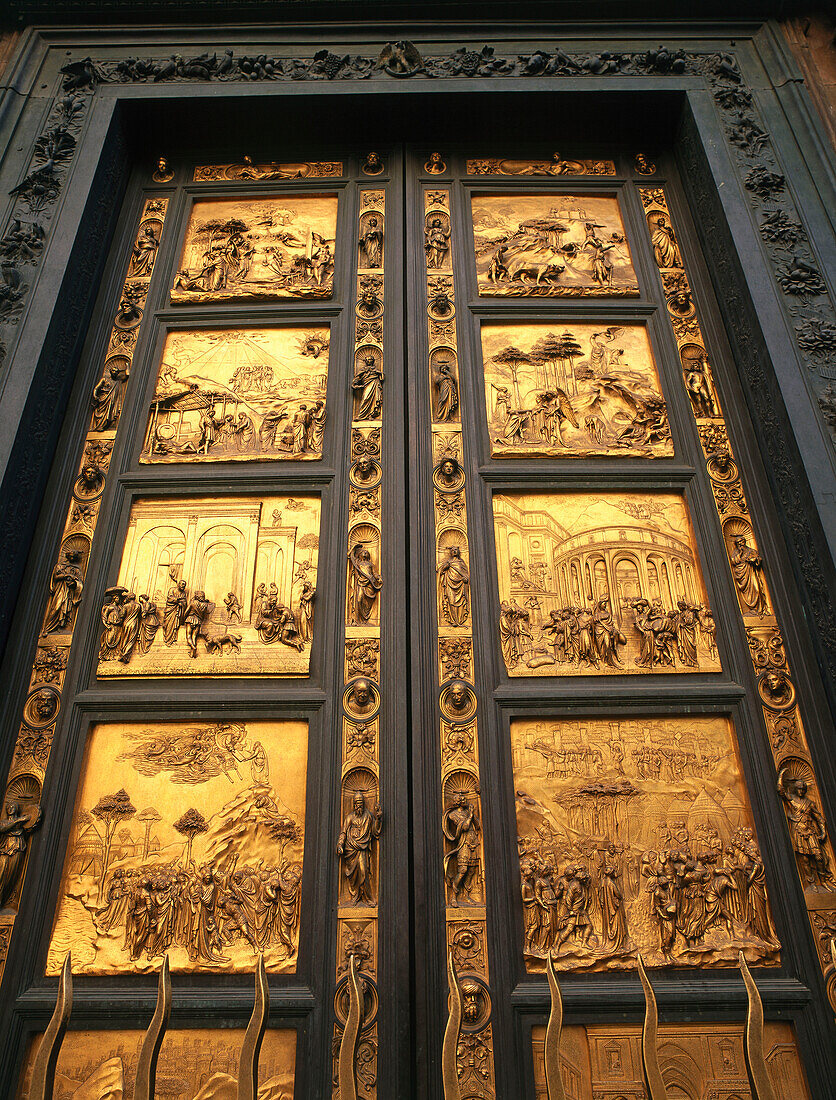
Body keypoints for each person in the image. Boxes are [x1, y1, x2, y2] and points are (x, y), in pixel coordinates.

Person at [337, 793, 382, 904]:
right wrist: (340, 844)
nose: (359, 806)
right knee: (353, 875)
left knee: (363, 871)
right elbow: (343, 832)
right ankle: (355, 895)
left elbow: (375, 831)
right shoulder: (350, 817)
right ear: (354, 805)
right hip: (350, 849)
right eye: (357, 804)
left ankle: (367, 898)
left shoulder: (368, 816)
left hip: (362, 849)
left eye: (361, 804)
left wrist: (378, 818)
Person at [443, 792, 481, 907]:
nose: (465, 800)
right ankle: (453, 896)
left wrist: (472, 815)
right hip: (464, 844)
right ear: (457, 801)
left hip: (473, 842)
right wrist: (470, 815)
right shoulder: (453, 815)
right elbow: (464, 827)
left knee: (471, 871)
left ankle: (466, 895)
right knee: (463, 869)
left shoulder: (467, 812)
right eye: (462, 799)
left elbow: (478, 826)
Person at [42, 549, 84, 634]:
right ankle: (47, 628)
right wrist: (67, 575)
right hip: (60, 589)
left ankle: (61, 625)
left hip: (69, 591)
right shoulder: (60, 566)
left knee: (65, 607)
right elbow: (56, 577)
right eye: (71, 556)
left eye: (74, 557)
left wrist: (74, 583)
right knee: (56, 607)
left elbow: (80, 581)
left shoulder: (76, 569)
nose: (72, 558)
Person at [730, 535, 768, 615]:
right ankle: (753, 609)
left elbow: (757, 559)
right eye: (738, 542)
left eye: (741, 541)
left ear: (744, 541)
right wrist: (740, 554)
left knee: (756, 589)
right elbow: (734, 561)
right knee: (748, 592)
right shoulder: (736, 552)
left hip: (751, 572)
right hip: (743, 574)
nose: (740, 544)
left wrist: (754, 560)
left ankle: (759, 609)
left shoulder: (751, 551)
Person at [347, 543, 383, 624]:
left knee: (368, 603)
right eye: (363, 552)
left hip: (370, 584)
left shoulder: (370, 564)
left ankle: (366, 619)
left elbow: (374, 573)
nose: (365, 553)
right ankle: (358, 619)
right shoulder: (358, 564)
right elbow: (350, 556)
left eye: (366, 552)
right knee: (359, 599)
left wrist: (378, 578)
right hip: (361, 583)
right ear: (359, 555)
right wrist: (353, 548)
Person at [437, 545, 470, 627]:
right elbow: (440, 571)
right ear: (450, 553)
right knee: (451, 602)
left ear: (458, 552)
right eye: (453, 550)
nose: (454, 551)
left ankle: (459, 619)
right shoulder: (449, 563)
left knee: (460, 602)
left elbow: (465, 573)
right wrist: (445, 567)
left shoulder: (461, 563)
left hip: (460, 585)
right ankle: (453, 620)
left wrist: (465, 578)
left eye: (456, 550)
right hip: (450, 584)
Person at [163, 579, 187, 645]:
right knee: (168, 624)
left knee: (175, 625)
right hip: (170, 610)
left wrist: (181, 604)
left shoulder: (183, 593)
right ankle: (167, 639)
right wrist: (177, 601)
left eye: (184, 585)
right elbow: (169, 598)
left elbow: (184, 602)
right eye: (182, 584)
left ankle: (172, 639)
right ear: (178, 584)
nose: (183, 586)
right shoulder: (172, 590)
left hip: (177, 611)